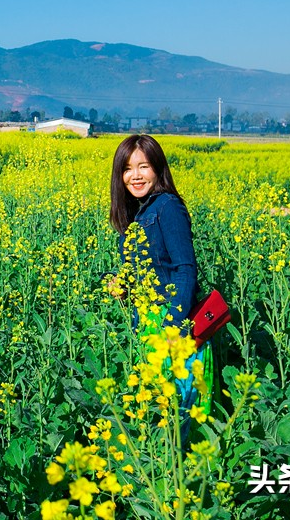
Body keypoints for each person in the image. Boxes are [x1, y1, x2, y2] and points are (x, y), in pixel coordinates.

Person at [107, 133, 210, 446]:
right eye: (127, 169)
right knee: (156, 416)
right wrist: (121, 283)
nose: (135, 175)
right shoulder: (136, 213)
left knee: (181, 420)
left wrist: (173, 327)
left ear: (158, 168)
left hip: (171, 326)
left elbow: (185, 268)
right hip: (146, 323)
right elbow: (145, 269)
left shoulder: (168, 207)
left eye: (143, 166)